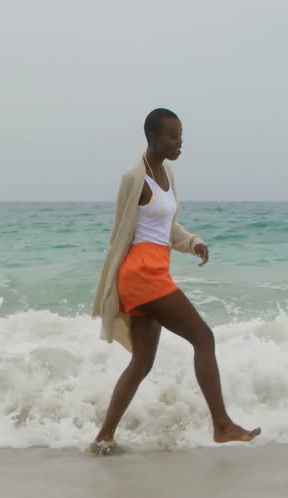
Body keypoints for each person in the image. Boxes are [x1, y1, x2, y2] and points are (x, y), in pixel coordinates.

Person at [89, 108, 261, 455]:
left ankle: (103, 438)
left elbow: (166, 229)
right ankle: (222, 424)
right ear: (153, 137)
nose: (180, 141)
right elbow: (121, 233)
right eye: (173, 135)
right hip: (141, 274)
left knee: (141, 363)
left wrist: (192, 241)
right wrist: (114, 283)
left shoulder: (166, 172)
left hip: (156, 270)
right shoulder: (133, 177)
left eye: (181, 135)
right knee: (204, 337)